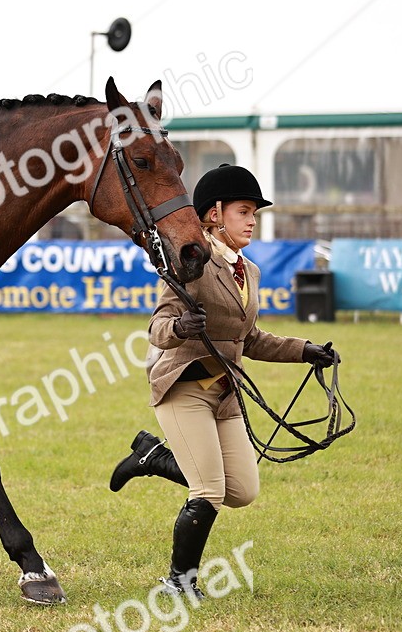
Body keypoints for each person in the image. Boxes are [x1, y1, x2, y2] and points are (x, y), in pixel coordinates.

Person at [109, 164, 335, 599]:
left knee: (242, 491)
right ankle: (179, 583)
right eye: (244, 211)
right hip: (184, 387)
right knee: (209, 490)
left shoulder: (249, 272)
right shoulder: (191, 260)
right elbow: (158, 326)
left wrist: (304, 350)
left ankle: (154, 457)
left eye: (254, 213)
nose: (252, 220)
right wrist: (181, 329)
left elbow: (249, 338)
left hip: (225, 393)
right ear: (214, 214)